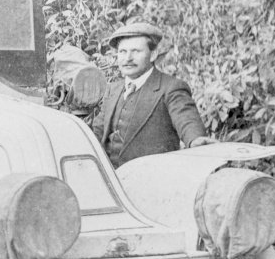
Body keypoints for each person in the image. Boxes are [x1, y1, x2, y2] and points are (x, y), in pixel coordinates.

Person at [92, 21, 216, 168]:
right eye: (122, 52)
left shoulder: (171, 88)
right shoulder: (113, 89)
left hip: (151, 181)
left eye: (136, 51)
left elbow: (186, 118)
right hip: (109, 180)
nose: (128, 58)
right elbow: (97, 131)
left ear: (153, 55)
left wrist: (195, 139)